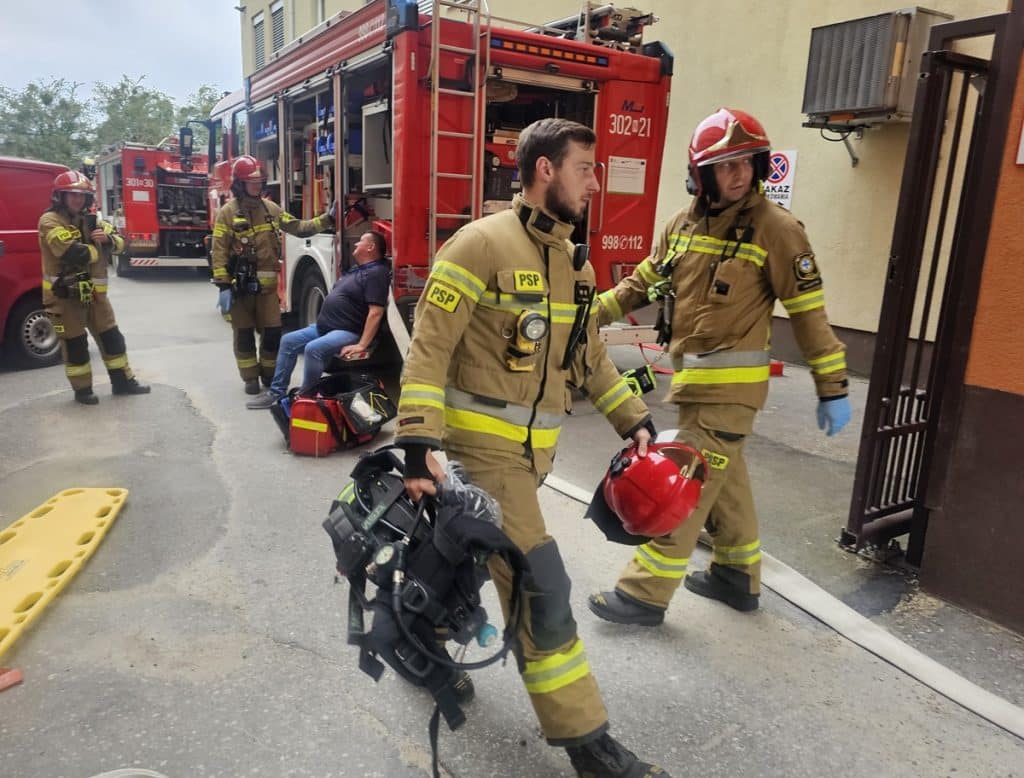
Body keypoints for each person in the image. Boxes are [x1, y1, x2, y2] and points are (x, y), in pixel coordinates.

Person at [396, 118, 671, 778]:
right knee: (540, 587)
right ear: (545, 170)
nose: (595, 182)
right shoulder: (479, 245)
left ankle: (415, 637)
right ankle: (588, 744)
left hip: (530, 461)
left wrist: (631, 418)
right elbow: (428, 349)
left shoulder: (575, 265)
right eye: (585, 168)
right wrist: (416, 446)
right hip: (479, 459)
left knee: (457, 554)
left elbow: (591, 360)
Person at [587, 107, 851, 626]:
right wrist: (584, 317)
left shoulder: (777, 230)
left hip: (733, 392)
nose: (738, 175)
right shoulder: (681, 225)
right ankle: (736, 575)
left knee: (685, 484)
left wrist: (832, 384)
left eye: (746, 163)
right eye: (725, 166)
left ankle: (644, 594)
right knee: (726, 480)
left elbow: (808, 313)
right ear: (702, 174)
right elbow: (638, 286)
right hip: (694, 384)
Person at [210, 155, 336, 394]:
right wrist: (223, 286)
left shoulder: (271, 209)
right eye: (252, 182)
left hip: (267, 291)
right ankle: (249, 378)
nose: (258, 186)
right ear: (240, 184)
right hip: (240, 288)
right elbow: (219, 250)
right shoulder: (227, 213)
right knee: (244, 336)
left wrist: (327, 218)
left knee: (272, 335)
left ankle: (268, 376)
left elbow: (299, 227)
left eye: (260, 182)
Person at [39, 171, 151, 405]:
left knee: (113, 339)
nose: (77, 199)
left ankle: (123, 382)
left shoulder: (92, 220)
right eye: (72, 194)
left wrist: (109, 240)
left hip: (95, 296)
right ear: (61, 196)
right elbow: (72, 253)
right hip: (65, 297)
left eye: (82, 195)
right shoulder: (49, 221)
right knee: (76, 345)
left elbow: (121, 245)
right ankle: (83, 391)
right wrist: (97, 246)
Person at [245, 230, 390, 409]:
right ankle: (276, 392)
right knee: (288, 341)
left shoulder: (377, 273)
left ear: (370, 247)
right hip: (326, 327)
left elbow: (376, 312)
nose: (355, 244)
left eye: (360, 241)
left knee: (313, 349)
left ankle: (306, 398)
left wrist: (361, 345)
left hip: (348, 331)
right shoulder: (359, 270)